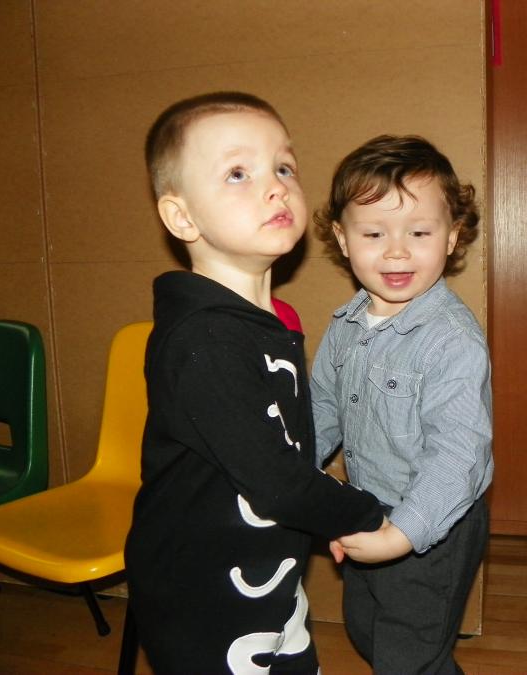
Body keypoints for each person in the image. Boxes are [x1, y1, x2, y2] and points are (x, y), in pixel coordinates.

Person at [124, 92, 387, 675]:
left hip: (267, 569)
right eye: (238, 173)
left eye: (284, 167)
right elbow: (280, 484)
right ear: (182, 218)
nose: (275, 187)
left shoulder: (266, 323)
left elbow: (286, 453)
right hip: (203, 592)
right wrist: (369, 516)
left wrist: (324, 510)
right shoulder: (205, 341)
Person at [311, 135, 494, 674]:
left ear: (452, 236)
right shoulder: (346, 326)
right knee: (367, 628)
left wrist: (401, 534)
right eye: (374, 233)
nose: (396, 251)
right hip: (368, 508)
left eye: (419, 232)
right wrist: (293, 480)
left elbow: (458, 455)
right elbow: (321, 408)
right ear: (343, 239)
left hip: (433, 524)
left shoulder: (451, 340)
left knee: (409, 655)